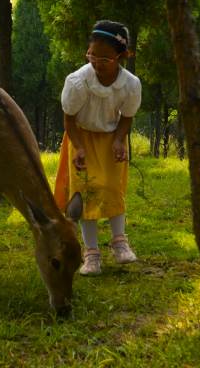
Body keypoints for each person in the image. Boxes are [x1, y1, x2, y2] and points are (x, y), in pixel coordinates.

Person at [54, 20, 142, 276]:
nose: (95, 62)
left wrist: (118, 141)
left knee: (113, 188)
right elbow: (69, 119)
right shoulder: (78, 82)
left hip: (112, 138)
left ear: (120, 56)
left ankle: (120, 242)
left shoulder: (130, 84)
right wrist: (78, 147)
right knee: (85, 193)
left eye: (104, 59)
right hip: (80, 137)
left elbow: (127, 116)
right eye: (92, 55)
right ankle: (91, 255)